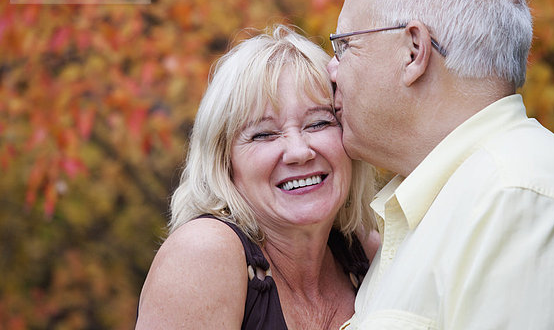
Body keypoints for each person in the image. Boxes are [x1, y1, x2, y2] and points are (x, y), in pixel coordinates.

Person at [327, 0, 554, 329]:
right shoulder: (455, 202)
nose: (331, 71)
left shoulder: (518, 200)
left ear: (413, 52)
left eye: (345, 46)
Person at [136, 25, 379, 329]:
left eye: (318, 123)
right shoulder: (204, 253)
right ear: (224, 161)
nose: (298, 151)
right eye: (264, 134)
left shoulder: (371, 255)